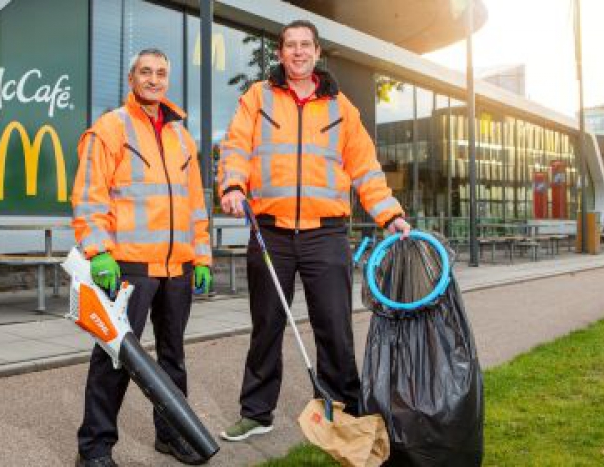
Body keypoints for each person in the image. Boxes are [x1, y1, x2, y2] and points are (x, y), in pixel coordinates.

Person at [216, 20, 411, 441]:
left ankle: (342, 410)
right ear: (280, 53)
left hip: (326, 233)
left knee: (335, 326)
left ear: (318, 53)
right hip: (270, 230)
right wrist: (232, 184)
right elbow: (235, 147)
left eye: (306, 45)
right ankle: (257, 412)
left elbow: (365, 169)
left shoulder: (342, 108)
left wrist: (389, 213)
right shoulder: (258, 97)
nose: (298, 52)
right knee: (266, 324)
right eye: (290, 45)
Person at [71, 48, 212, 467]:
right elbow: (89, 195)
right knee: (114, 359)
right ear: (131, 77)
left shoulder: (182, 137)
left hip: (177, 269)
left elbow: (194, 206)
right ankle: (93, 450)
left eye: (161, 73)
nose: (154, 79)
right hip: (127, 267)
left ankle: (171, 437)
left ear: (169, 80)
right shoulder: (110, 128)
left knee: (173, 358)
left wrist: (201, 257)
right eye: (145, 72)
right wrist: (98, 252)